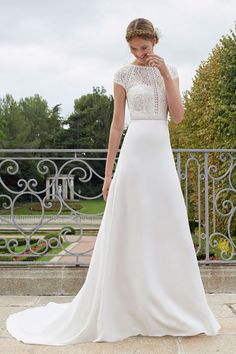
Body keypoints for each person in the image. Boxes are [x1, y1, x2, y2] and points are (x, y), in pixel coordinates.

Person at [6, 17, 221, 346]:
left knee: (167, 226)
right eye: (133, 48)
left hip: (160, 158)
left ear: (155, 43)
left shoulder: (171, 71)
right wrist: (108, 174)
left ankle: (173, 306)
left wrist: (164, 74)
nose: (139, 54)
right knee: (129, 226)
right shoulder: (122, 74)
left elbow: (177, 116)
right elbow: (117, 124)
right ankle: (127, 307)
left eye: (144, 48)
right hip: (133, 157)